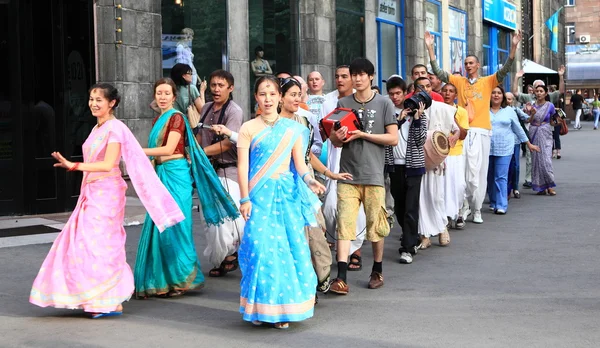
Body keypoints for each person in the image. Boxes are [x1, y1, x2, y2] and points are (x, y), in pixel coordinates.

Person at [30, 84, 185, 318]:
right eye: (91, 98)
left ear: (112, 103)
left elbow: (108, 164)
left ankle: (109, 300)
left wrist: (74, 165)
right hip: (92, 191)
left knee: (100, 245)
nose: (93, 103)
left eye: (99, 100)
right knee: (82, 243)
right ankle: (92, 297)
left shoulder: (115, 129)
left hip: (107, 194)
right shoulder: (97, 128)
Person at [134, 78, 239, 298]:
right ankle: (163, 281)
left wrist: (135, 150)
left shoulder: (176, 118)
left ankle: (183, 279)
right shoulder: (158, 119)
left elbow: (170, 148)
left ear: (174, 96)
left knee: (177, 227)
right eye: (159, 93)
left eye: (166, 93)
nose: (162, 97)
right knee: (160, 227)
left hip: (176, 175)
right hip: (161, 175)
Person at [237, 75, 325, 329]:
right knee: (260, 248)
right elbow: (242, 167)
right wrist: (244, 198)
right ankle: (261, 308)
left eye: (272, 94)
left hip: (285, 196)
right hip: (258, 195)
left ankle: (283, 311)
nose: (268, 99)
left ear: (279, 97)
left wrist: (311, 181)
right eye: (263, 94)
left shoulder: (293, 129)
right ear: (256, 97)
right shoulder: (248, 128)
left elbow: (300, 165)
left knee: (287, 250)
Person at [425, 29, 522, 224]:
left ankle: (477, 208)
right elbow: (438, 73)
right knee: (463, 173)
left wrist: (513, 47)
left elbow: (506, 69)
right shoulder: (458, 81)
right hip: (462, 131)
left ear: (478, 65)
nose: (468, 65)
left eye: (471, 63)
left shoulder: (487, 81)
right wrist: (430, 48)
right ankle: (464, 206)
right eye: (466, 63)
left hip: (482, 131)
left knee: (478, 172)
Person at [328, 58, 398, 294]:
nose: (357, 79)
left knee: (375, 225)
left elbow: (393, 138)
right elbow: (335, 141)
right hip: (347, 173)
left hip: (374, 174)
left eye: (361, 75)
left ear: (370, 77)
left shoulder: (384, 103)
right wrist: (339, 135)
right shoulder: (343, 102)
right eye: (353, 75)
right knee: (344, 225)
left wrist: (362, 135)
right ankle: (341, 277)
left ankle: (377, 269)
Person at [278, 77, 352, 293]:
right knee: (293, 237)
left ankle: (315, 279)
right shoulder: (271, 124)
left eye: (298, 94)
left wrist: (329, 173)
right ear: (280, 98)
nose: (296, 98)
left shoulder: (304, 123)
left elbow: (307, 155)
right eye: (291, 95)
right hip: (282, 186)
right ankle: (300, 286)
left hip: (306, 184)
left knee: (316, 232)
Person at [195, 70, 246, 277]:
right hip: (208, 171)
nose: (216, 89)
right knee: (209, 218)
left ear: (230, 88)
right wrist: (192, 151)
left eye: (220, 86)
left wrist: (199, 153)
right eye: (213, 85)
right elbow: (199, 135)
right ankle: (222, 255)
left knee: (227, 218)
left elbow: (227, 143)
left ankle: (230, 254)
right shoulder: (206, 108)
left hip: (229, 171)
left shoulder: (234, 111)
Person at [320, 65, 367, 268]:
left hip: (358, 156)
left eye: (344, 76)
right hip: (335, 155)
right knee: (330, 207)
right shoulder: (328, 101)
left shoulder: (362, 98)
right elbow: (320, 131)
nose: (340, 80)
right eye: (337, 76)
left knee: (355, 206)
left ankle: (354, 249)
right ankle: (339, 242)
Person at [414, 77, 459, 248]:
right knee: (419, 199)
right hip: (417, 159)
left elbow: (457, 129)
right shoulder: (410, 108)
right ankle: (425, 235)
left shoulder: (443, 108)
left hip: (436, 160)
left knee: (435, 196)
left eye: (428, 86)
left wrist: (452, 138)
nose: (425, 90)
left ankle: (442, 228)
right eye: (421, 87)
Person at [386, 76, 427, 264]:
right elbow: (387, 135)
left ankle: (407, 248)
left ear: (405, 93)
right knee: (399, 207)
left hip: (413, 166)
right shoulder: (387, 113)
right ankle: (413, 235)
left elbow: (420, 141)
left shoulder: (419, 112)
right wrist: (399, 121)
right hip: (394, 166)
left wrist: (416, 119)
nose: (395, 97)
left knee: (411, 207)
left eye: (398, 93)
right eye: (391, 94)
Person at [488, 86, 539, 214]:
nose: (496, 95)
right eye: (493, 93)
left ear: (503, 96)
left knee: (501, 176)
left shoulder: (509, 111)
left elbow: (518, 129)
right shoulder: (484, 110)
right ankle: (493, 201)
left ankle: (501, 205)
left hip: (505, 148)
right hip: (487, 148)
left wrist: (529, 144)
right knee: (489, 177)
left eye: (499, 93)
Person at [441, 83, 469, 229]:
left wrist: (453, 118)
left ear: (455, 96)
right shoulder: (436, 109)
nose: (447, 93)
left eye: (451, 91)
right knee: (443, 187)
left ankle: (458, 212)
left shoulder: (462, 112)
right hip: (439, 153)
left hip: (456, 154)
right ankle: (444, 216)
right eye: (444, 91)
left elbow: (463, 135)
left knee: (458, 185)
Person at [524, 85, 558, 195]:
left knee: (546, 160)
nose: (538, 93)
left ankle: (550, 185)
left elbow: (553, 122)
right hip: (534, 132)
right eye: (537, 91)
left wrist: (558, 122)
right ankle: (541, 187)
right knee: (537, 160)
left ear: (545, 93)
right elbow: (529, 120)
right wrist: (532, 114)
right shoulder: (531, 106)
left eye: (541, 91)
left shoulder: (550, 106)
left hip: (546, 132)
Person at [505, 92, 531, 198]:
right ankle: (505, 189)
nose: (508, 101)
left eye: (510, 99)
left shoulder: (516, 110)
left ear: (513, 101)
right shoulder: (497, 110)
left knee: (515, 166)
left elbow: (528, 119)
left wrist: (531, 113)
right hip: (502, 143)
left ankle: (515, 188)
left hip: (515, 141)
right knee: (503, 166)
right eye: (506, 98)